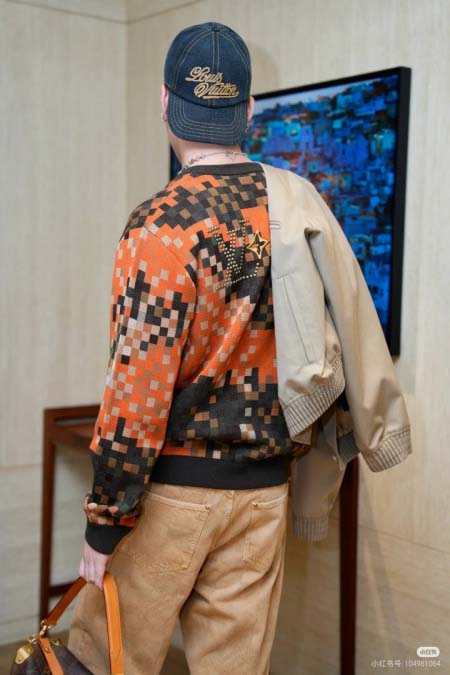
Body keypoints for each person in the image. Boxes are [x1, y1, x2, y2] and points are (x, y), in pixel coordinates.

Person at [68, 21, 299, 675]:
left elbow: (138, 388)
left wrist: (106, 518)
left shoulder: (160, 225)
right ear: (248, 110)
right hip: (264, 494)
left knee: (103, 661)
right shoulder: (293, 212)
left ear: (166, 103)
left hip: (171, 493)